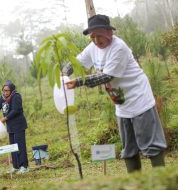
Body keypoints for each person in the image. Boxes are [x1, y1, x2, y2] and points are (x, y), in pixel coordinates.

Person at [63, 14, 167, 173]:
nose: (96, 40)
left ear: (109, 32)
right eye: (92, 37)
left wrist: (78, 81)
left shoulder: (119, 47)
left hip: (139, 98)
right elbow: (78, 62)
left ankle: (162, 182)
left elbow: (106, 76)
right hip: (121, 102)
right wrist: (64, 72)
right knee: (129, 148)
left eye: (99, 35)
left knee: (151, 145)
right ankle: (135, 183)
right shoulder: (93, 47)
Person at [0, 80, 29, 174]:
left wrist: (5, 118)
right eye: (4, 90)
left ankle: (24, 166)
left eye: (7, 90)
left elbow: (16, 110)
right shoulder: (3, 97)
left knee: (20, 145)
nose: (5, 92)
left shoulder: (16, 96)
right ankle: (16, 166)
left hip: (18, 124)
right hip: (10, 126)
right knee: (13, 146)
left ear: (12, 89)